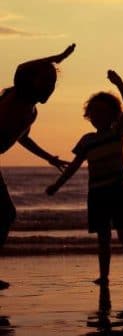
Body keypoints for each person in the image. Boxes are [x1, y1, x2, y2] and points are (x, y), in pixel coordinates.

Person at [46, 70, 123, 287]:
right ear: (89, 116)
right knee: (103, 237)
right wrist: (57, 185)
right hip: (96, 193)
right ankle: (104, 276)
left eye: (103, 113)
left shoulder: (117, 132)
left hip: (117, 190)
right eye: (94, 113)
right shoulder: (87, 140)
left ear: (113, 115)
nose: (98, 117)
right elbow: (74, 167)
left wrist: (119, 83)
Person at [0, 44, 75, 289]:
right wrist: (58, 58)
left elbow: (22, 137)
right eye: (45, 81)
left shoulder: (31, 112)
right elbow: (22, 67)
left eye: (53, 84)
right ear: (32, 82)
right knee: (5, 214)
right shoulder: (17, 97)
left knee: (5, 215)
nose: (50, 88)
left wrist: (48, 158)